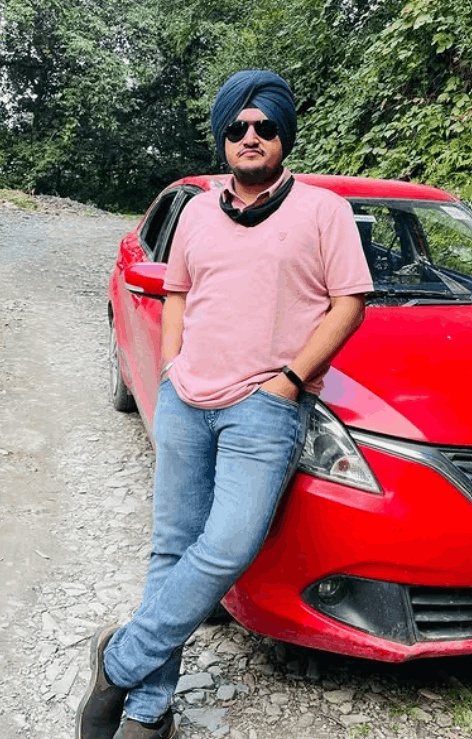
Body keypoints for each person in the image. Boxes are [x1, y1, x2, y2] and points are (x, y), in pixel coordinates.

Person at [76, 69, 373, 739]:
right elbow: (177, 292)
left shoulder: (322, 210)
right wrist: (172, 368)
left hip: (266, 404)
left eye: (264, 125)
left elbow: (349, 302)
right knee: (172, 547)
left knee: (231, 543)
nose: (250, 135)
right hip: (188, 397)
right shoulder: (198, 211)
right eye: (237, 126)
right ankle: (149, 711)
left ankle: (117, 659)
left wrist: (290, 381)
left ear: (283, 134)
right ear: (222, 136)